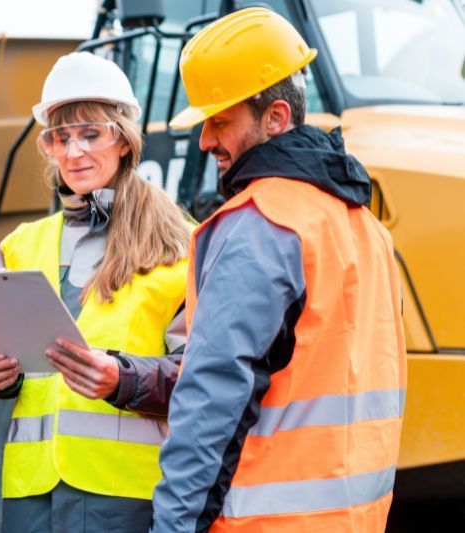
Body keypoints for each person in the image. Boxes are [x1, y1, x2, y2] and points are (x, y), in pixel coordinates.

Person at [151, 8, 406, 532]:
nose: (204, 141)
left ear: (277, 117)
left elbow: (213, 400)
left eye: (219, 121)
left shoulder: (258, 223)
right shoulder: (366, 228)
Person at [0, 52, 192, 533]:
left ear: (124, 140)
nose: (74, 152)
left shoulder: (180, 250)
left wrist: (121, 378)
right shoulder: (19, 247)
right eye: (59, 138)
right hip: (31, 497)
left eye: (91, 134)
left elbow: (202, 379)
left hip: (126, 498)